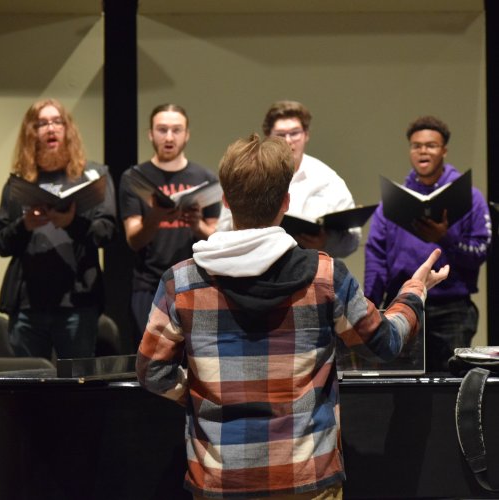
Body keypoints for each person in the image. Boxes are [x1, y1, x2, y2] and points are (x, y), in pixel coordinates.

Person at [136, 133, 449, 499]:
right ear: (285, 203)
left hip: (220, 480)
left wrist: (202, 395)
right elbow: (385, 343)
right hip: (306, 477)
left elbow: (152, 372)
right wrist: (414, 292)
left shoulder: (181, 281)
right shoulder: (326, 276)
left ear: (225, 201)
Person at [364, 115, 491, 372]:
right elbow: (376, 255)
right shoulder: (394, 201)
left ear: (444, 150)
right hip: (401, 303)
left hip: (451, 308)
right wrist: (371, 305)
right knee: (400, 388)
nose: (423, 151)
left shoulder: (470, 197)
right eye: (416, 145)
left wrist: (444, 238)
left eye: (431, 145)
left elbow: (481, 251)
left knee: (449, 386)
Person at [0, 98, 117, 359]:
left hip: (77, 304)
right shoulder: (18, 183)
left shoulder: (93, 176)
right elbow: (2, 243)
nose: (50, 128)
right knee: (28, 390)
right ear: (32, 132)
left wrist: (71, 223)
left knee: (75, 389)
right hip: (28, 306)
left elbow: (107, 232)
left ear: (67, 129)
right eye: (42, 123)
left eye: (57, 122)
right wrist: (25, 225)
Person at [119, 103, 220, 347]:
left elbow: (216, 237)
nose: (169, 137)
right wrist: (156, 215)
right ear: (150, 134)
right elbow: (133, 239)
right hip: (149, 284)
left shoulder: (205, 178)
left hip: (195, 282)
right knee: (151, 356)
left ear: (187, 135)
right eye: (162, 130)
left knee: (195, 356)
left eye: (176, 130)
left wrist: (197, 226)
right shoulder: (134, 178)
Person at [216, 100, 361, 258]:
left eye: (294, 133)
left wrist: (325, 243)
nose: (288, 141)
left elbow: (352, 240)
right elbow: (224, 228)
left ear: (306, 135)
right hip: (251, 263)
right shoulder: (248, 172)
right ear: (268, 137)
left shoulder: (328, 180)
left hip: (309, 267)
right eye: (280, 135)